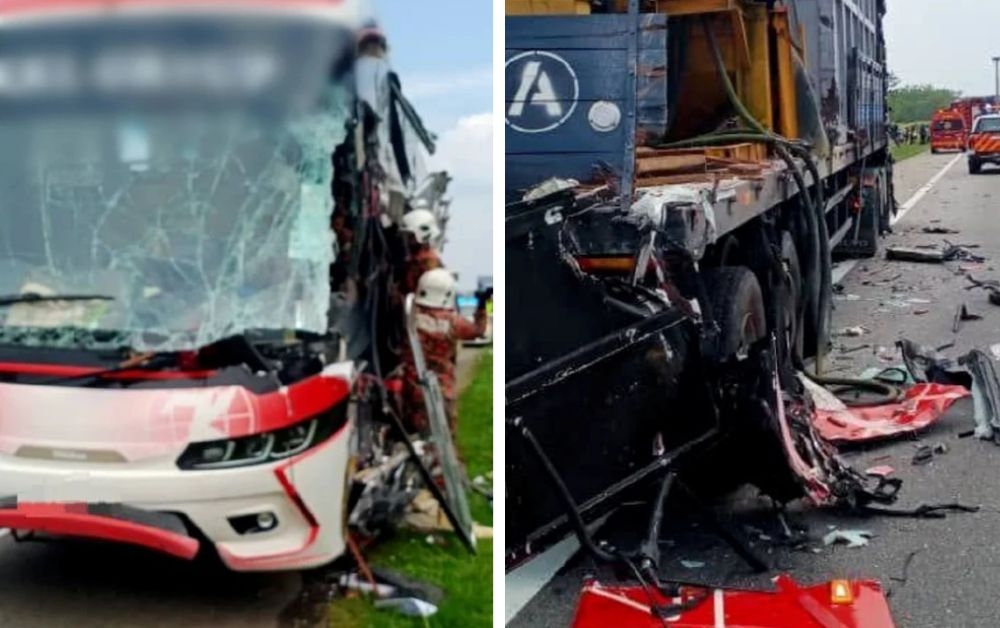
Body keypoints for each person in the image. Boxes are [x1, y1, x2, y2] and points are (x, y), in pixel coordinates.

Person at [400, 269, 489, 437]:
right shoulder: (452, 321)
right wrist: (482, 306)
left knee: (415, 433)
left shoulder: (409, 315)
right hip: (441, 390)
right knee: (445, 435)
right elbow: (478, 331)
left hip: (412, 387)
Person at [399, 208, 444, 296]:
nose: (407, 240)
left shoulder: (429, 262)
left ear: (421, 235)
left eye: (410, 236)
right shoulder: (416, 259)